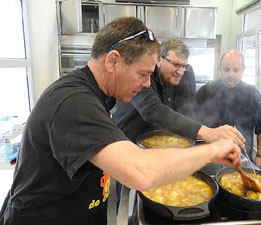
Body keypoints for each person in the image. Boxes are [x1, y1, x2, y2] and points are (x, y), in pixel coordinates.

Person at [0, 17, 242, 225]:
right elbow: (141, 172)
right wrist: (212, 149)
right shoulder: (73, 101)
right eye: (143, 74)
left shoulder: (98, 95)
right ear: (113, 60)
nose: (148, 83)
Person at [113, 39, 245, 145]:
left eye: (184, 66)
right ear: (159, 60)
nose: (181, 72)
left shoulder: (186, 73)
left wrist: (205, 139)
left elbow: (189, 110)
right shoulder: (145, 73)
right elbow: (152, 110)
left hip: (163, 143)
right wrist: (206, 132)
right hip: (130, 139)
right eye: (175, 64)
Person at [195, 50, 261, 171]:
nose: (231, 74)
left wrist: (260, 156)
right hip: (210, 157)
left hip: (242, 158)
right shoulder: (205, 91)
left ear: (242, 70)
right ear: (220, 68)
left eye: (236, 70)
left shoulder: (252, 94)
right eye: (226, 69)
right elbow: (193, 123)